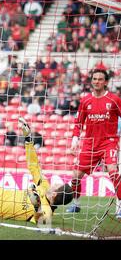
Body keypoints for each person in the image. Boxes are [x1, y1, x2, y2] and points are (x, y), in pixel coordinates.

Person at [66, 69, 121, 217]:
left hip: (108, 142)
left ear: (106, 82)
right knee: (76, 176)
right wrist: (75, 140)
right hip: (90, 144)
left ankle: (120, 206)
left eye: (100, 79)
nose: (97, 81)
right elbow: (78, 122)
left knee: (113, 171)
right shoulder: (85, 101)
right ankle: (76, 204)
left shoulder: (114, 100)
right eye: (94, 79)